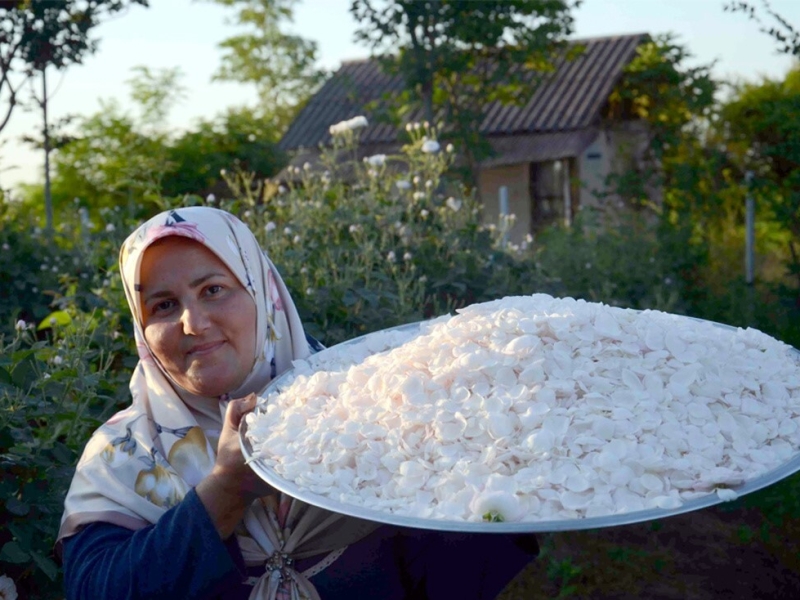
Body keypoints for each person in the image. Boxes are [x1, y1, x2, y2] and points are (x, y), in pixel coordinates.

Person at [58, 206, 538, 600]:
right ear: (142, 331)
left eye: (213, 290)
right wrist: (225, 490)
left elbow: (447, 580)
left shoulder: (367, 404)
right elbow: (96, 590)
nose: (193, 323)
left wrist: (500, 470)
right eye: (163, 305)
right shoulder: (122, 456)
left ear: (264, 298)